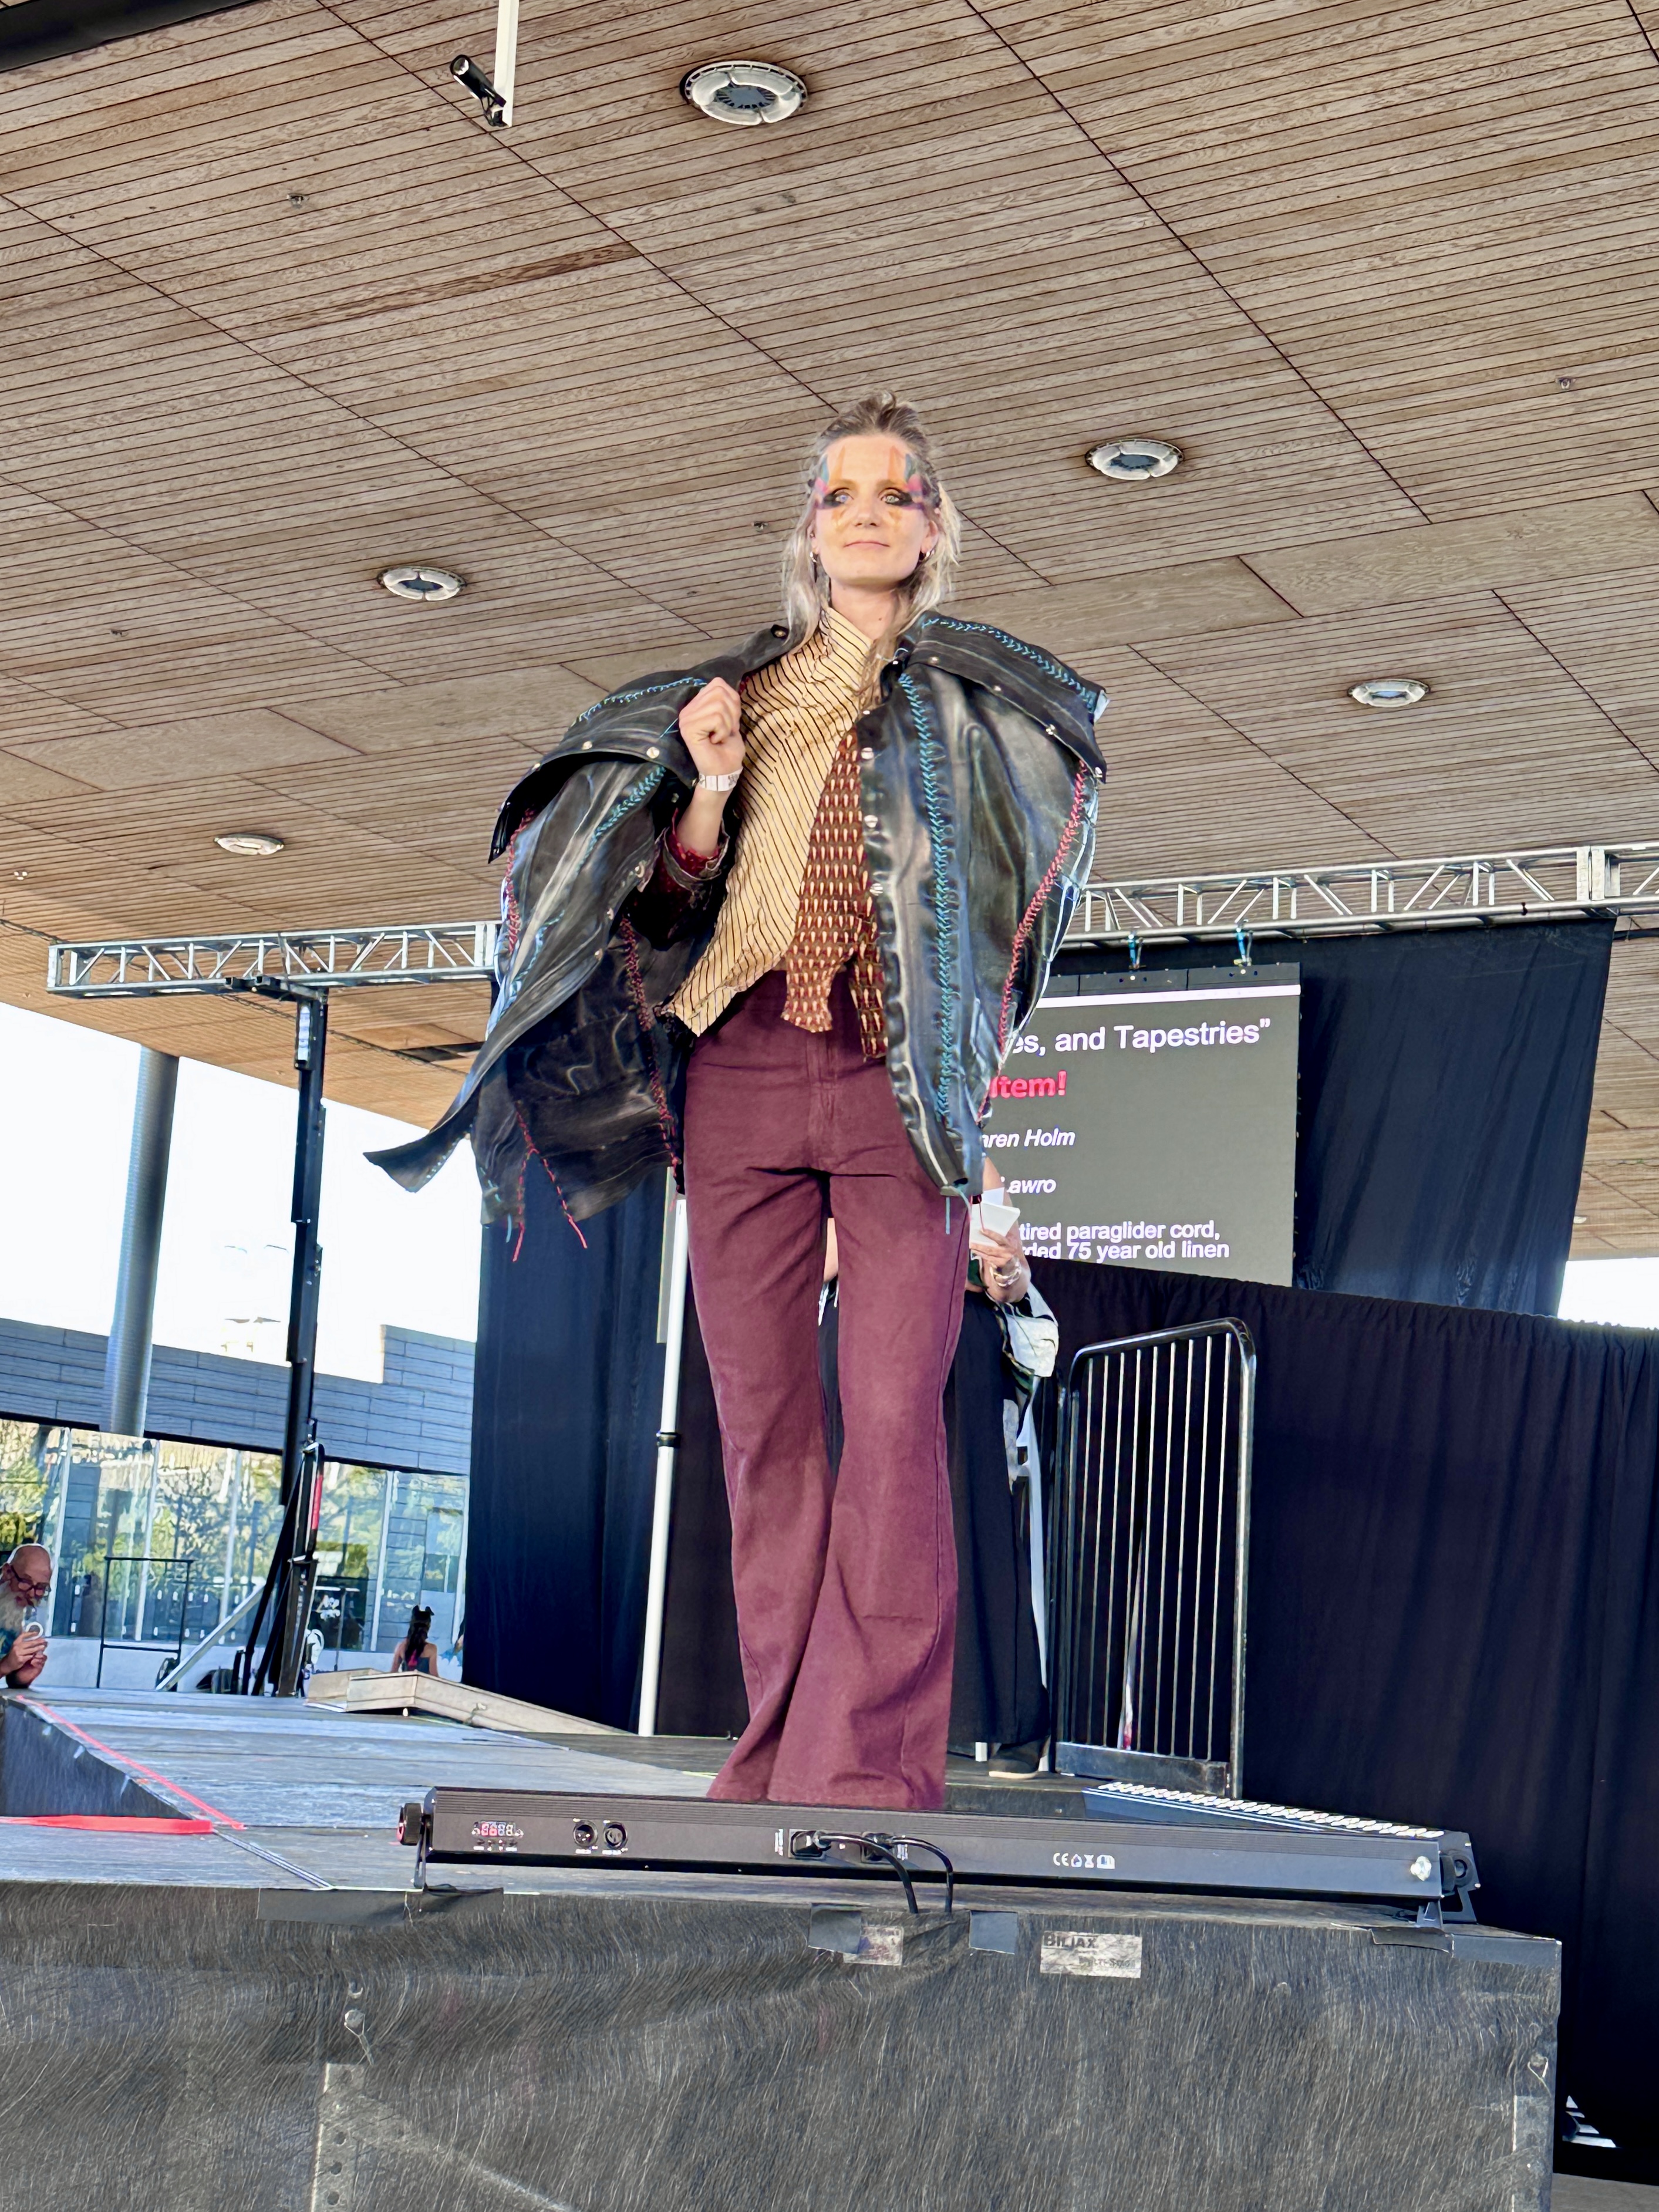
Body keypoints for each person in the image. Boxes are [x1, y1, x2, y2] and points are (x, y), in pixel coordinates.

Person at [374, 394, 1106, 1810]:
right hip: (743, 1064)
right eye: (841, 497)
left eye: (894, 496)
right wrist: (705, 787)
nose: (867, 516)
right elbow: (662, 909)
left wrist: (961, 1083)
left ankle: (868, 1770)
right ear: (809, 531)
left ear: (932, 528)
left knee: (891, 1428)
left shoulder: (978, 705)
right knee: (765, 1433)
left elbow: (1008, 923)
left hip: (892, 1080)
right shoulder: (737, 698)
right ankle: (778, 1753)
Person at [0, 1543, 53, 1690]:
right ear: (8, 1572)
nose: (31, 1593)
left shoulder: (16, 1616)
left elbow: (10, 1680)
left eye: (41, 1587)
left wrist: (22, 1676)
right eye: (25, 1582)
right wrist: (5, 1666)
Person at [392, 1605, 437, 1676]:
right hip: (423, 1683)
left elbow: (393, 1672)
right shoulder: (432, 1649)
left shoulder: (401, 1647)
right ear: (427, 1627)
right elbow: (434, 1676)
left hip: (405, 1682)